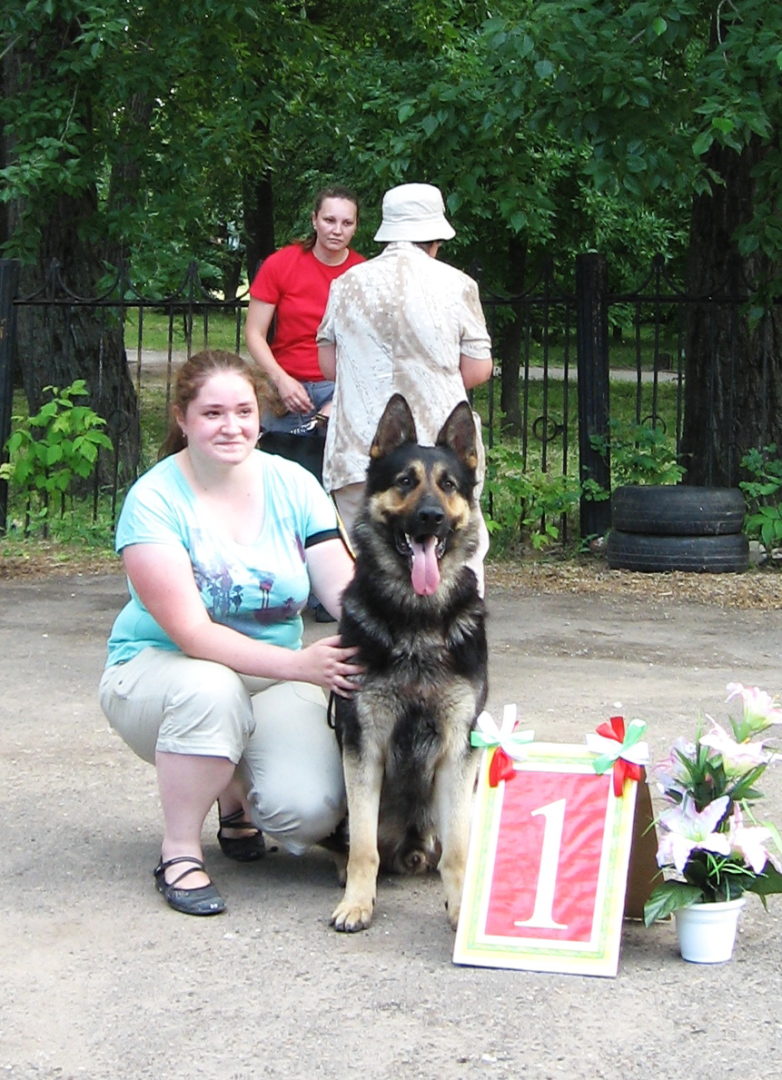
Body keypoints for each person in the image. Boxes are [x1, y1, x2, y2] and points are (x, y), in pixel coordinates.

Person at [98, 350, 361, 917]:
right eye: (212, 413)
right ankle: (179, 851)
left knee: (306, 811)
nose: (232, 426)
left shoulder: (295, 484)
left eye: (244, 411)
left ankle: (233, 791)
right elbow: (192, 634)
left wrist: (406, 630)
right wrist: (301, 666)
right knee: (211, 691)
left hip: (269, 678)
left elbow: (345, 590)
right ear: (182, 418)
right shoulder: (153, 500)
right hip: (162, 672)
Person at [316, 182, 493, 591]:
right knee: (457, 566)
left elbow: (328, 366)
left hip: (359, 451)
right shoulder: (457, 284)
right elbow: (478, 369)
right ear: (436, 239)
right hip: (442, 460)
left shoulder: (347, 283)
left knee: (369, 569)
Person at [245, 185, 364, 439]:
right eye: (329, 220)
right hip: (283, 384)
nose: (337, 230)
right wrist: (281, 380)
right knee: (272, 457)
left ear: (356, 227)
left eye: (347, 223)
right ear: (314, 220)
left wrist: (342, 397)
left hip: (341, 388)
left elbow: (371, 346)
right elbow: (254, 333)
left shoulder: (363, 274)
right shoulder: (281, 264)